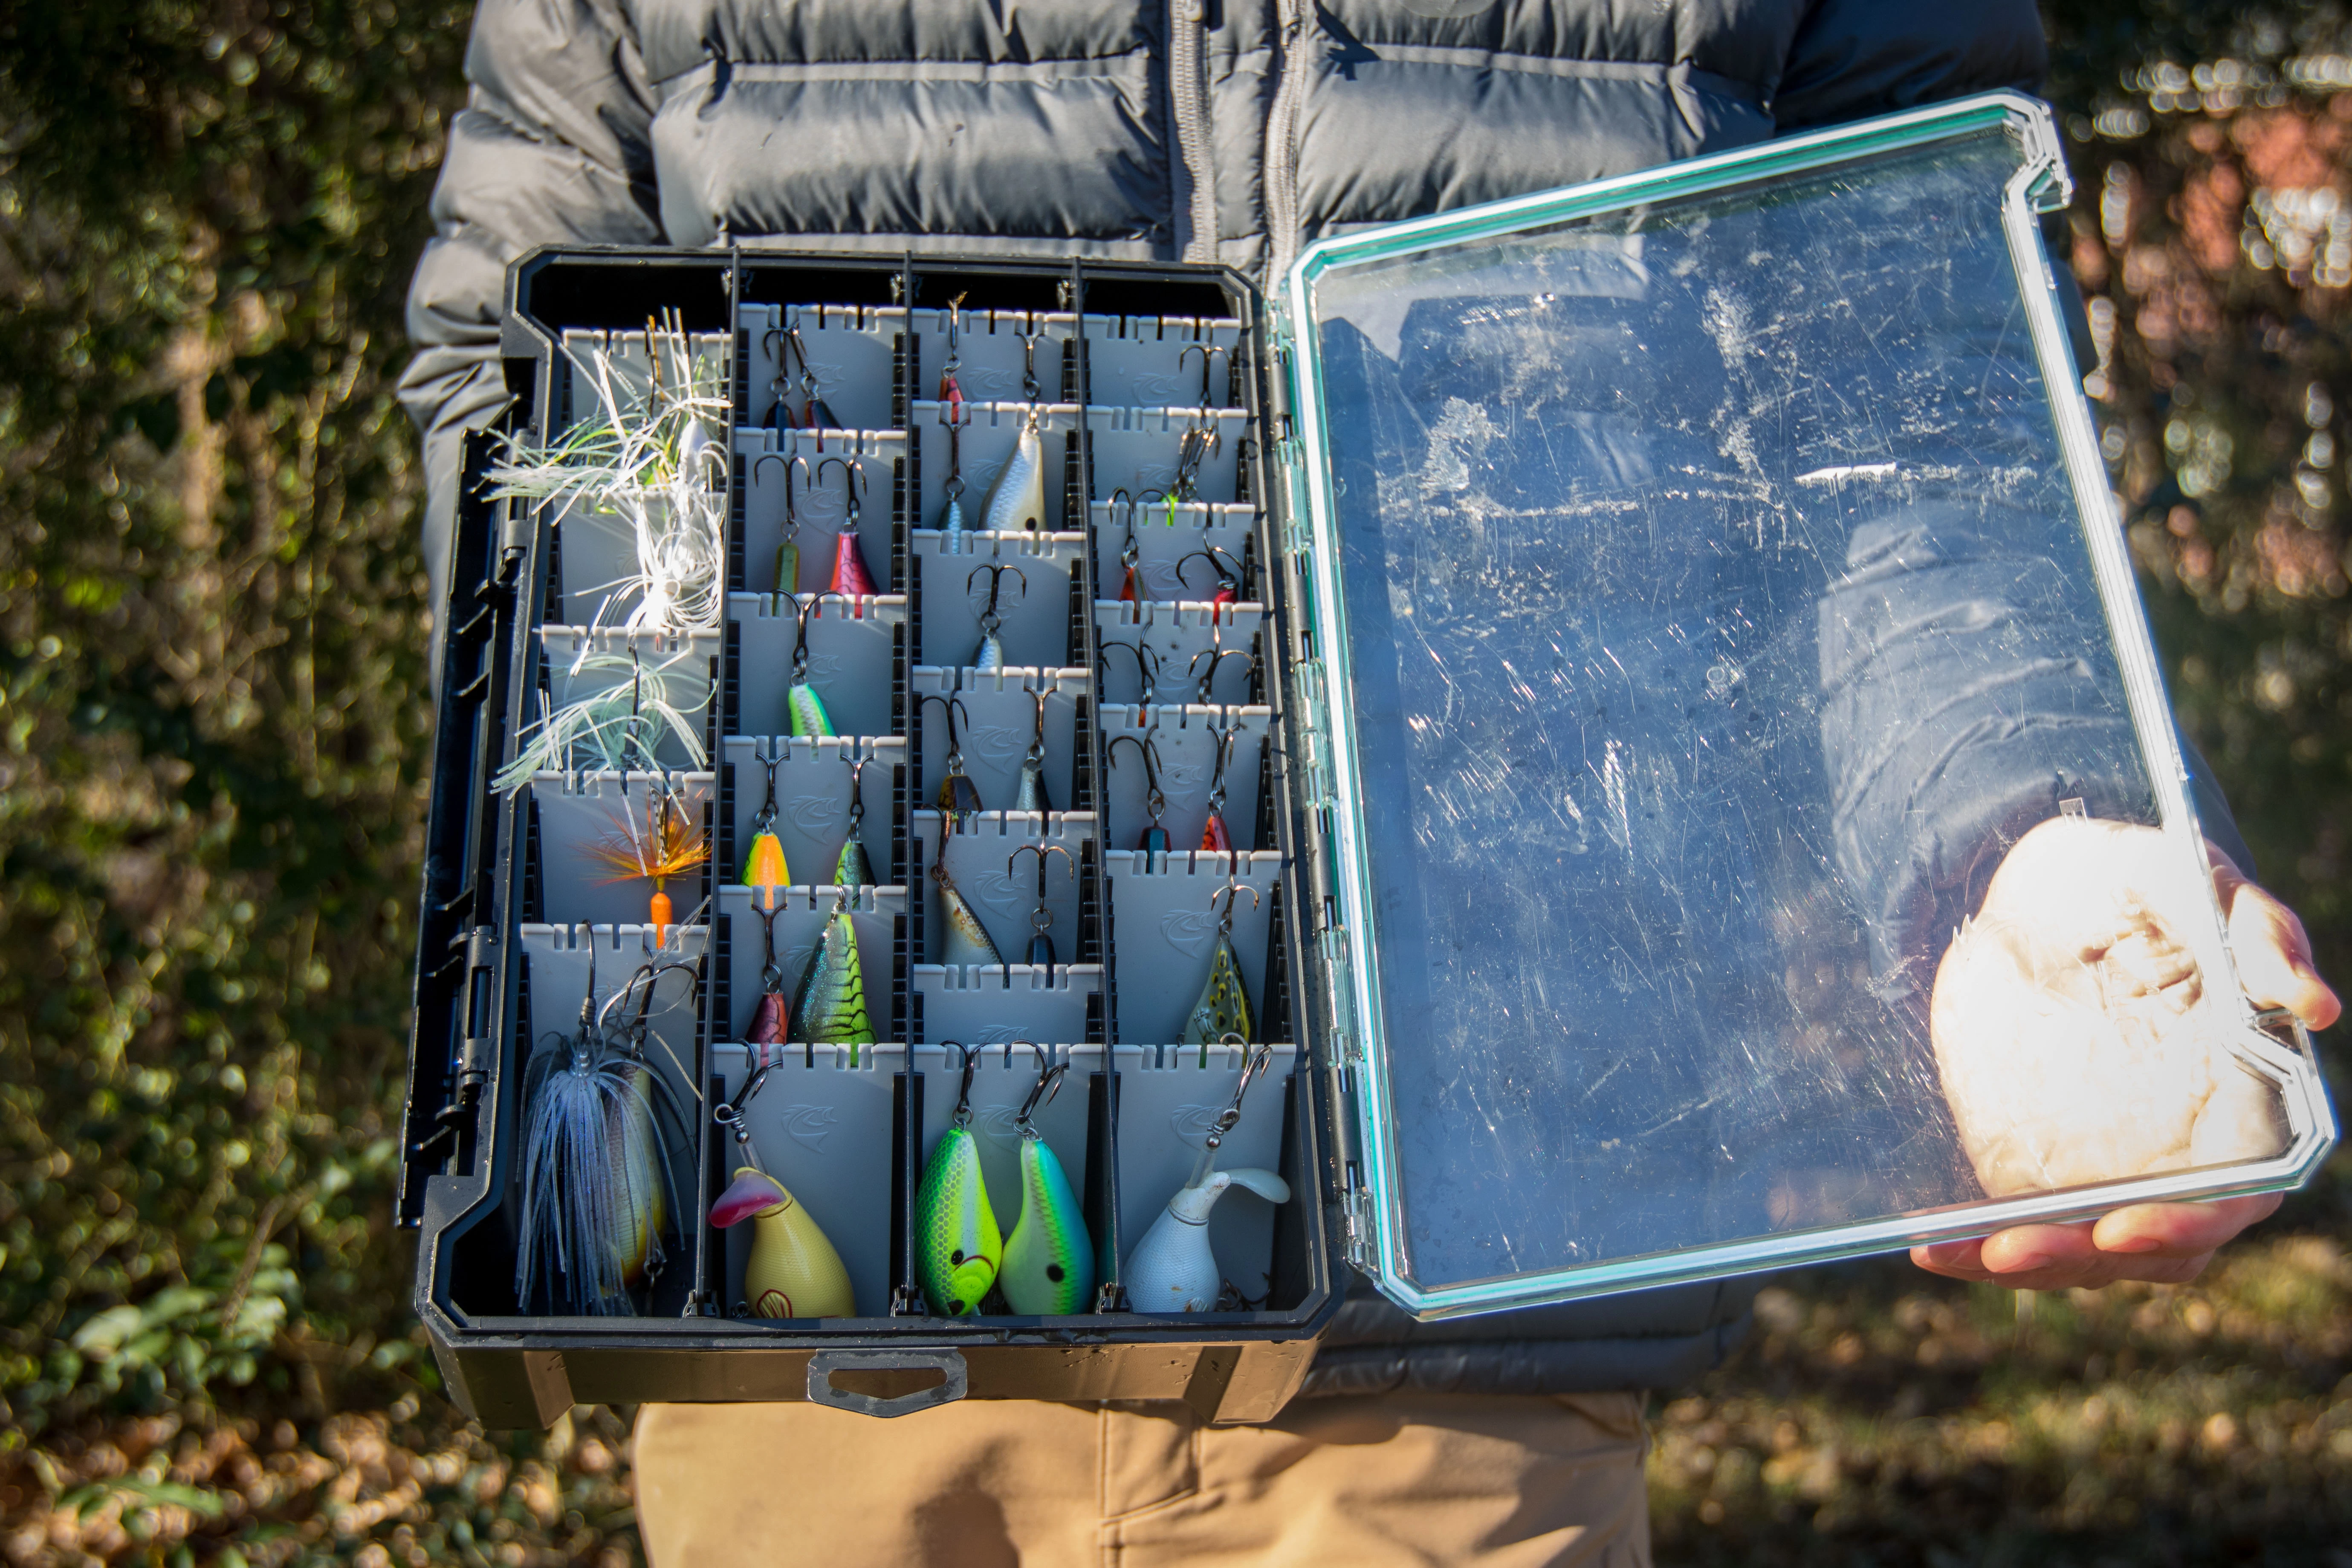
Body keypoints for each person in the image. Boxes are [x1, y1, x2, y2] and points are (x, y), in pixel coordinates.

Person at [399, 4, 2341, 1562]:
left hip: (1471, 1332)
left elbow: (1913, 410)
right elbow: (522, 394)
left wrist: (2027, 823)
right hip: (823, 1382)